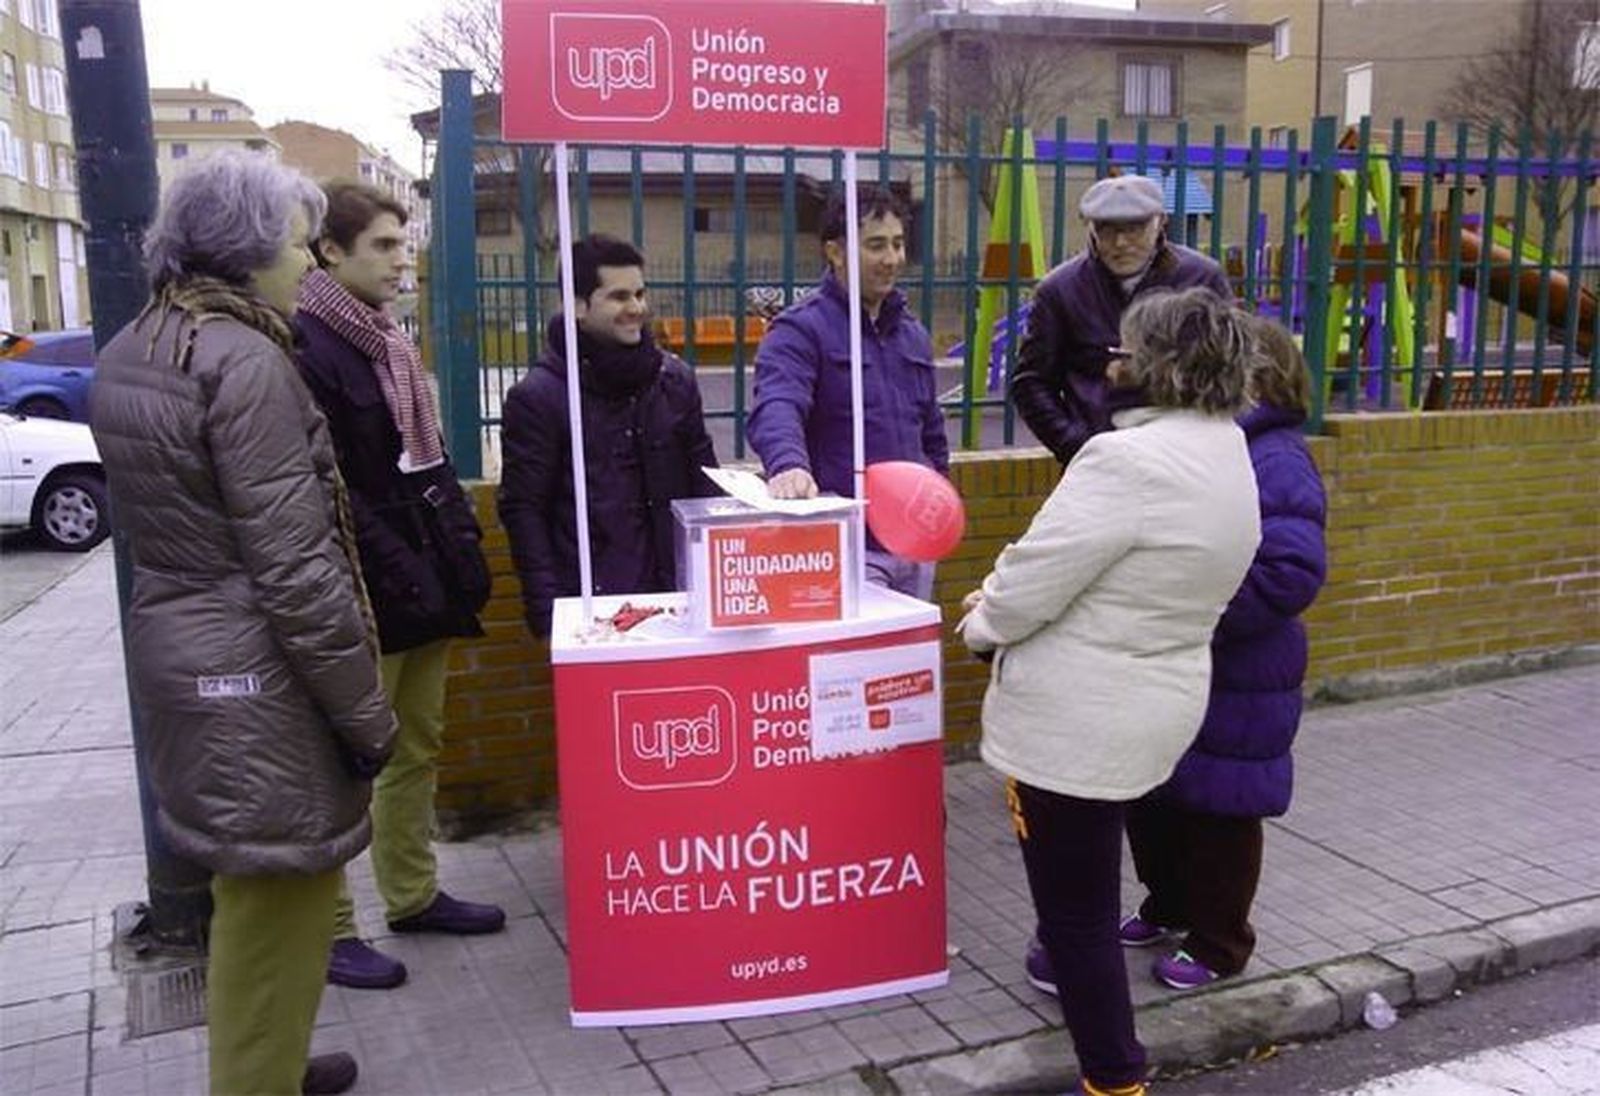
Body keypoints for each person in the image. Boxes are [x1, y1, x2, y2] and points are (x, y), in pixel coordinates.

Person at [90, 152, 395, 1096]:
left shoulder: (142, 342)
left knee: (246, 890)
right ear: (248, 250)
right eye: (297, 246)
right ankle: (255, 1077)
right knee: (282, 904)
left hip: (187, 657)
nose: (309, 263)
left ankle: (267, 1061)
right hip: (259, 675)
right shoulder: (246, 361)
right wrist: (365, 713)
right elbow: (297, 568)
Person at [958, 288, 1261, 1096]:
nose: (1110, 360)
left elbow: (1034, 578)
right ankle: (1073, 996)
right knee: (1081, 898)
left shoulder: (1124, 461)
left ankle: (1115, 1077)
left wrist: (982, 623)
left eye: (1124, 348)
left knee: (1077, 914)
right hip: (1157, 703)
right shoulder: (1227, 447)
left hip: (1075, 724)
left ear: (1158, 366)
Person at [294, 181, 502, 992]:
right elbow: (334, 486)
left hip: (421, 583)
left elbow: (428, 466)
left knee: (418, 745)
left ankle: (411, 893)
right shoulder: (309, 345)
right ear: (331, 251)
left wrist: (454, 551)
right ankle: (333, 930)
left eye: (403, 242)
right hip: (365, 592)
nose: (401, 258)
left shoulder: (386, 342)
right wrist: (406, 571)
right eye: (382, 244)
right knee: (348, 763)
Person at [1122, 315, 1328, 991]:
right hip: (1191, 659)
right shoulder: (1218, 447)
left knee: (1223, 811)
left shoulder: (1277, 458)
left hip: (1242, 670)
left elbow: (1291, 572)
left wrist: (1196, 611)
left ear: (1256, 379)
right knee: (1158, 798)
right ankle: (1170, 904)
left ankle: (1220, 942)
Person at [498, 234, 720, 637]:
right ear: (578, 305)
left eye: (640, 293)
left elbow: (705, 486)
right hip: (592, 611)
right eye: (619, 297)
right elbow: (524, 511)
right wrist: (550, 619)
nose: (636, 308)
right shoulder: (539, 397)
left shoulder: (674, 381)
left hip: (678, 600)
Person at [747, 184, 950, 599]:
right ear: (835, 252)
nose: (891, 259)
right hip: (847, 547)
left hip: (913, 544)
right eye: (875, 245)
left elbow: (930, 430)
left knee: (909, 660)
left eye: (897, 244)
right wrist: (788, 464)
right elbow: (778, 403)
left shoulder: (912, 335)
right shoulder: (800, 330)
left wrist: (939, 490)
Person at [1012, 175, 1232, 467]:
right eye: (1106, 230)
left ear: (1160, 222)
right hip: (1099, 459)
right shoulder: (1059, 290)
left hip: (1187, 455)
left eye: (1135, 229)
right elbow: (1031, 382)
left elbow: (1230, 367)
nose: (1120, 243)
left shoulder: (1203, 279)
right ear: (1091, 228)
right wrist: (1075, 444)